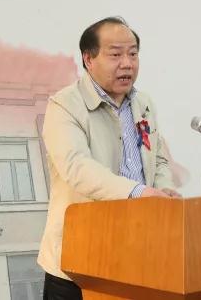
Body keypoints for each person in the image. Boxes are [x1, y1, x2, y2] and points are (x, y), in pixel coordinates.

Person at [38, 17, 180, 299]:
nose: (127, 64)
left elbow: (158, 158)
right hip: (79, 263)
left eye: (133, 54)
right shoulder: (64, 105)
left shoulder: (143, 103)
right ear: (88, 59)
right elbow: (77, 168)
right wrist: (139, 193)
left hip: (139, 254)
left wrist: (163, 190)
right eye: (115, 55)